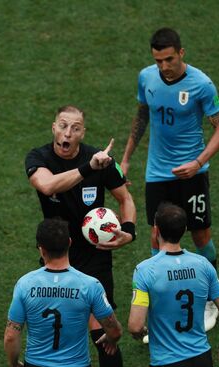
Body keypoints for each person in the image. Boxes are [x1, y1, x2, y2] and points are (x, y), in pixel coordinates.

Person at [120, 27, 219, 331]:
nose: (164, 66)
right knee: (157, 236)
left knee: (200, 236)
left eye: (169, 59)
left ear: (181, 53)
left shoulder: (202, 84)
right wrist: (126, 159)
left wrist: (198, 163)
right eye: (158, 61)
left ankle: (208, 297)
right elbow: (142, 115)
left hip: (192, 174)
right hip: (157, 173)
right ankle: (163, 298)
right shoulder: (147, 77)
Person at [25, 105, 136, 366]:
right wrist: (89, 167)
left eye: (75, 128)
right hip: (57, 253)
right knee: (58, 328)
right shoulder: (38, 157)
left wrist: (129, 231)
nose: (68, 133)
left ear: (82, 133)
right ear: (54, 128)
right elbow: (47, 185)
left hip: (95, 256)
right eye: (63, 125)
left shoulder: (101, 160)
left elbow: (126, 198)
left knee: (104, 335)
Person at [4, 218, 123, 367]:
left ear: (41, 249)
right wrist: (111, 338)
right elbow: (114, 330)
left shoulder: (25, 284)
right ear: (70, 243)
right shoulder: (90, 285)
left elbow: (11, 336)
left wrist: (14, 364)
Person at [128, 203, 219, 367]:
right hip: (202, 358)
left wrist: (141, 331)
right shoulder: (204, 265)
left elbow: (135, 326)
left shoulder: (144, 271)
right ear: (185, 229)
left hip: (165, 361)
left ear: (156, 230)